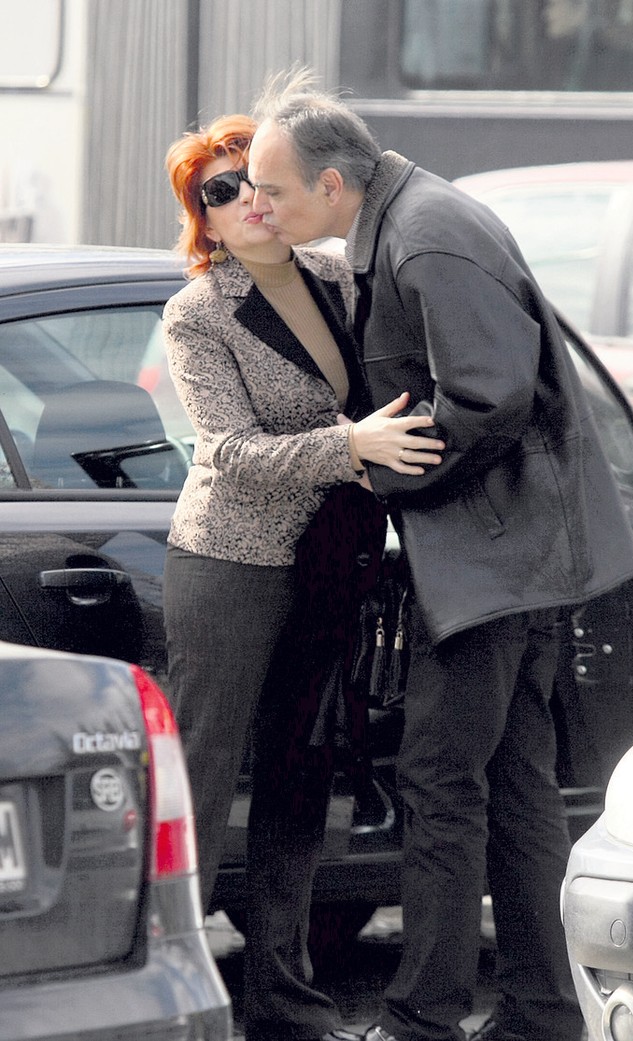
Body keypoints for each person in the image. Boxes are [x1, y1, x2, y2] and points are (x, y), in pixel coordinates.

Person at [247, 72, 633, 1041]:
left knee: (439, 780)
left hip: (493, 568)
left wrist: (382, 466)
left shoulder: (424, 236)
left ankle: (423, 1016)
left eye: (274, 191)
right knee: (514, 784)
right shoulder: (414, 219)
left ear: (333, 185)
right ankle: (541, 1011)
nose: (260, 206)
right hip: (508, 560)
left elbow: (488, 396)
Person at [161, 114, 444, 1041]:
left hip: (330, 563)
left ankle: (285, 1002)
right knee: (201, 781)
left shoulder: (336, 274)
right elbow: (230, 451)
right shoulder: (198, 311)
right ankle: (171, 994)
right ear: (202, 219)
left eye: (252, 177)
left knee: (301, 775)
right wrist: (351, 446)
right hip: (229, 564)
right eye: (219, 190)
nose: (245, 197)